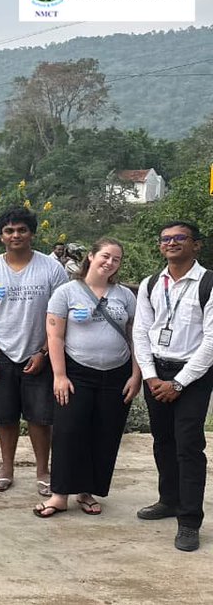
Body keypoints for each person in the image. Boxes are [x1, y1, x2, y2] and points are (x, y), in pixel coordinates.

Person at [36, 238, 141, 519]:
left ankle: (87, 491)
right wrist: (59, 375)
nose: (109, 263)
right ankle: (59, 495)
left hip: (117, 374)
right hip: (76, 372)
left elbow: (136, 337)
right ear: (92, 257)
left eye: (116, 259)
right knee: (69, 433)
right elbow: (55, 336)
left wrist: (136, 374)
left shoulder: (125, 296)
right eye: (105, 256)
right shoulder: (66, 293)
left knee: (105, 434)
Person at [0, 207, 68, 494]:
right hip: (1, 355)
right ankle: (6, 468)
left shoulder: (51, 268)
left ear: (32, 233)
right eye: (9, 231)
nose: (16, 235)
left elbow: (61, 315)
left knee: (40, 417)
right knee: (5, 417)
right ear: (1, 236)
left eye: (22, 230)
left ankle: (43, 471)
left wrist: (44, 353)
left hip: (40, 353)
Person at [133, 221, 213, 552]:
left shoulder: (208, 283)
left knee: (188, 446)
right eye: (166, 239)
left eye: (180, 238)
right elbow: (141, 332)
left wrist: (178, 383)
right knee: (163, 440)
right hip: (157, 372)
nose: (172, 243)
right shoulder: (151, 283)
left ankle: (189, 520)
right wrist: (151, 377)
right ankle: (169, 500)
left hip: (193, 375)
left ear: (196, 245)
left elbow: (211, 341)